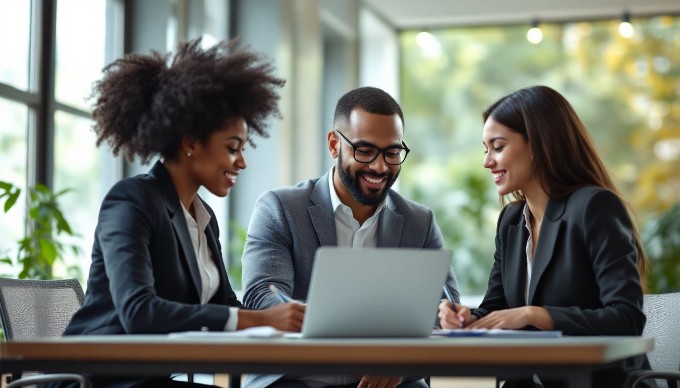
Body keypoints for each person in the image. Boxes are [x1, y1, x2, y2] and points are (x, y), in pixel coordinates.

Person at [51, 38, 305, 388]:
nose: (242, 162)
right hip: (99, 380)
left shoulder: (202, 218)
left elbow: (225, 304)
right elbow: (139, 313)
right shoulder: (131, 201)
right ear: (190, 143)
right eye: (232, 148)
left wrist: (280, 318)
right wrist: (256, 320)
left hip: (149, 380)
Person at [241, 86, 460, 388]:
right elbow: (261, 296)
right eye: (365, 151)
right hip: (295, 379)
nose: (380, 166)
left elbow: (443, 311)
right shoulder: (280, 208)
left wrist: (402, 360)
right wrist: (314, 321)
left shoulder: (418, 222)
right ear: (334, 144)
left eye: (392, 152)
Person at [438, 85, 655, 388]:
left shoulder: (594, 207)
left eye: (498, 147)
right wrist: (468, 319)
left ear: (538, 144)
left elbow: (626, 319)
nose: (488, 162)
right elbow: (497, 308)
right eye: (485, 149)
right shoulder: (511, 221)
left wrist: (535, 315)